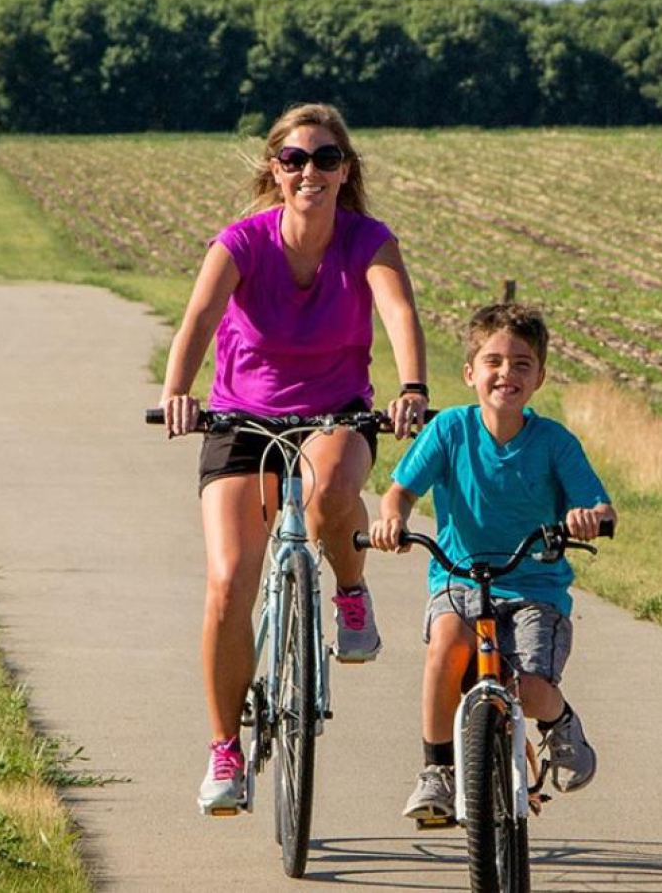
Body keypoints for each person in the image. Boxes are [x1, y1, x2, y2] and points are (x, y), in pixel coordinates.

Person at [158, 102, 431, 816]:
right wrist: (178, 392)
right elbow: (198, 319)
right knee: (228, 580)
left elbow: (399, 312)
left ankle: (347, 589)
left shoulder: (368, 241)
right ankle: (225, 749)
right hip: (240, 421)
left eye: (327, 159)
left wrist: (411, 388)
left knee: (331, 491)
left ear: (347, 171)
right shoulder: (243, 243)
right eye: (296, 159)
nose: (311, 171)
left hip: (334, 411)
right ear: (275, 171)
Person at [367, 301, 617, 823]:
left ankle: (560, 721)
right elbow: (399, 495)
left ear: (541, 377)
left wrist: (588, 517)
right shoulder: (450, 431)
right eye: (494, 361)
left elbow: (597, 503)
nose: (508, 373)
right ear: (470, 372)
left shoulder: (553, 443)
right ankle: (437, 770)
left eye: (523, 363)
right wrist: (391, 519)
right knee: (446, 649)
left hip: (534, 588)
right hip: (459, 579)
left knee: (529, 684)